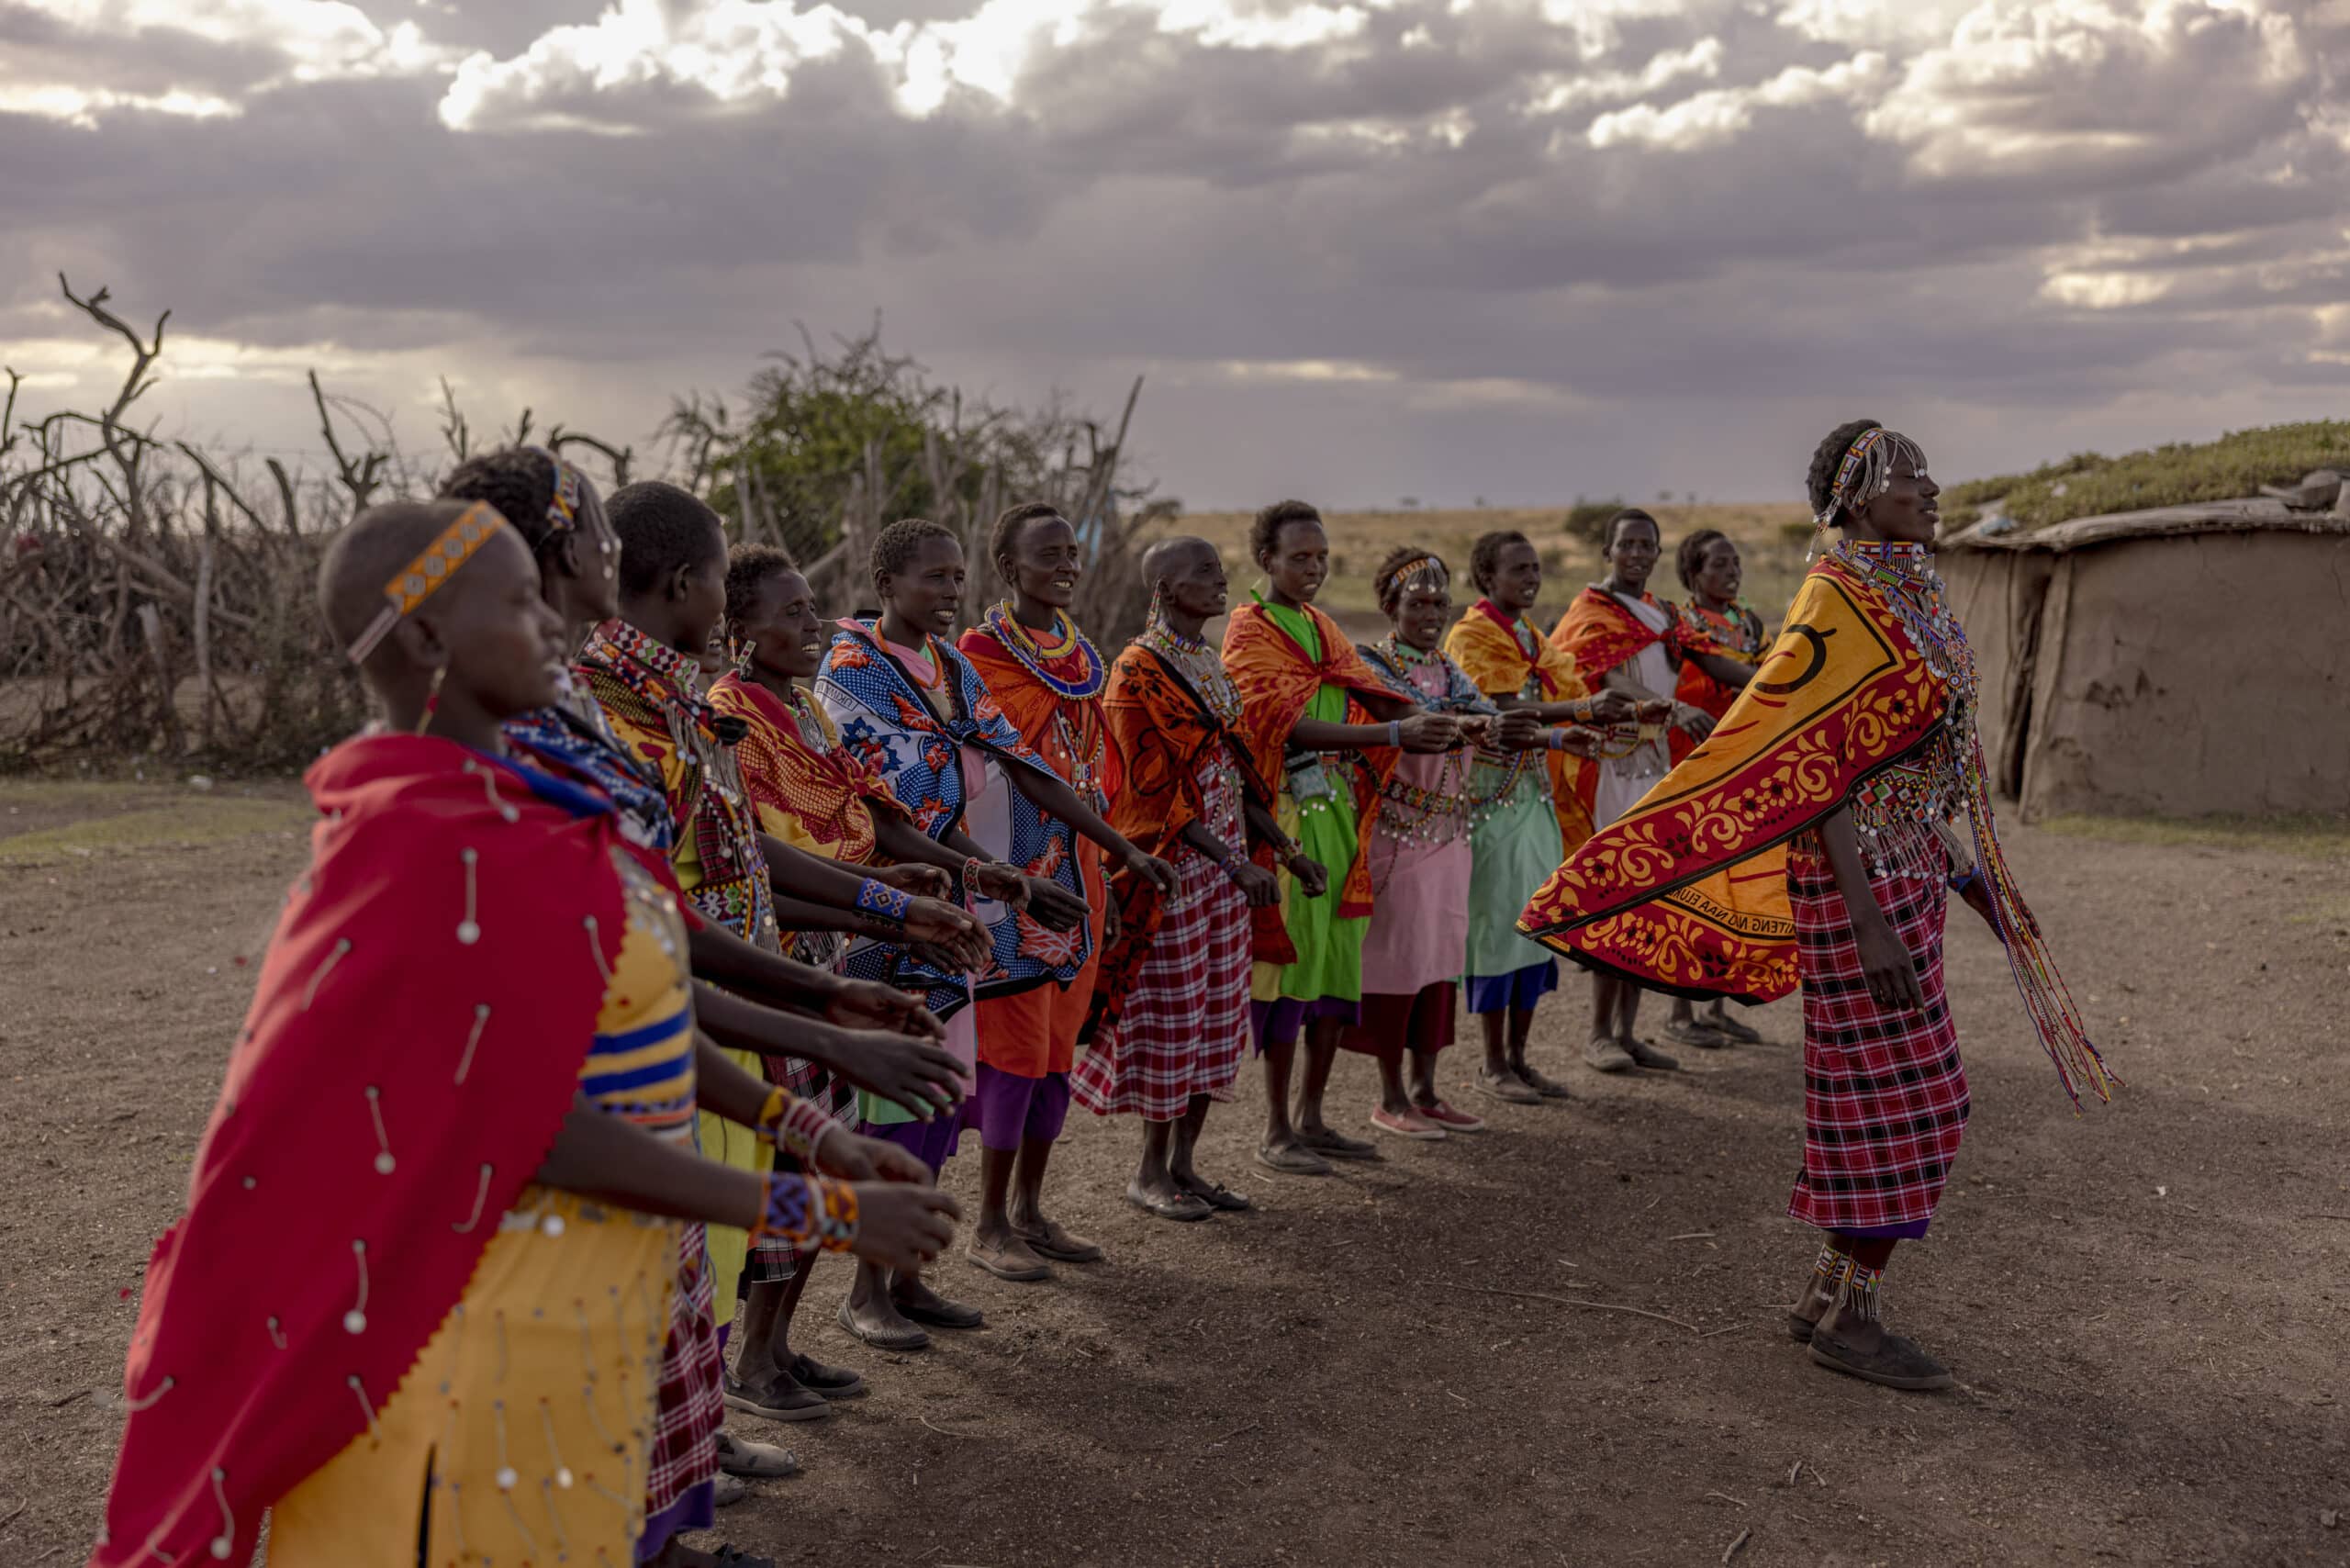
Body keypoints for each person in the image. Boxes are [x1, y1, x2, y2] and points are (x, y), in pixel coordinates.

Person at [87, 498, 959, 1568]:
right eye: (517, 602)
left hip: (566, 1318)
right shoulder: (419, 846)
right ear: (422, 639)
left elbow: (627, 1001)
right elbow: (522, 1117)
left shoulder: (520, 810)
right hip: (458, 1340)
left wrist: (803, 1119)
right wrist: (816, 1203)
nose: (554, 625)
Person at [1520, 420, 2116, 1392]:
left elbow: (1902, 772)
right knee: (1917, 1100)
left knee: (1880, 1094)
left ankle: (1829, 1293)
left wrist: (1976, 888)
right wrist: (1871, 917)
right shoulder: (1838, 598)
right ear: (1849, 501)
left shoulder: (1907, 596)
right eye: (1903, 476)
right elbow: (1817, 768)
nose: (1927, 488)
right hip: (1858, 887)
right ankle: (1854, 1318)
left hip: (1905, 868)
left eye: (1927, 471)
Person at [445, 454, 972, 1459]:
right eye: (595, 535)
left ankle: (690, 1446)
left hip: (699, 1005)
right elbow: (635, 938)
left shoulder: (650, 703)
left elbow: (710, 861)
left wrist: (872, 923)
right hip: (642, 1046)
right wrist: (829, 1005)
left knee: (693, 1268)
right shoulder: (570, 726)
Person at [576, 482, 988, 1543]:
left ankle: (687, 1460)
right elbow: (659, 916)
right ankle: (662, 1487)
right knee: (679, 1246)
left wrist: (892, 914)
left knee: (708, 1243)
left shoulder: (671, 705)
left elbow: (739, 858)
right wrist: (830, 991)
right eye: (722, 577)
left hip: (736, 988)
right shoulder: (606, 717)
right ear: (685, 585)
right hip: (676, 1020)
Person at [710, 543, 1057, 1388]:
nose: (811, 623)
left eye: (810, 607)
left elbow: (877, 810)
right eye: (790, 612)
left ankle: (778, 1346)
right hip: (769, 961)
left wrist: (972, 875)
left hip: (835, 946)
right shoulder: (731, 718)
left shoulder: (806, 714)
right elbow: (758, 865)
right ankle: (751, 1361)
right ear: (739, 630)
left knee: (818, 1155)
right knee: (782, 1165)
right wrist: (890, 904)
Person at [816, 521, 1161, 1340]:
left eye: (956, 577)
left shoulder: (949, 668)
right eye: (933, 577)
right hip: (887, 914)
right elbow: (888, 819)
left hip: (949, 910)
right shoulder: (855, 676)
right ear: (886, 581)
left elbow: (1027, 767)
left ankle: (907, 1277)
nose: (949, 591)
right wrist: (993, 874)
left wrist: (1116, 849)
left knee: (939, 1097)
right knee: (894, 1104)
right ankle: (865, 1291)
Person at [957, 503, 1179, 1279]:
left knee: (1056, 1047)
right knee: (1014, 1048)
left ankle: (1030, 1208)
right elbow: (1012, 767)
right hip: (1012, 878)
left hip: (1078, 868)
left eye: (1072, 553)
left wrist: (1106, 869)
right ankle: (988, 1224)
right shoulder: (979, 655)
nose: (1067, 565)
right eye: (1048, 554)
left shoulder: (1079, 653)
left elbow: (1094, 767)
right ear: (1009, 568)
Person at [1223, 499, 1457, 1174]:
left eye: (1322, 558)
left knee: (1332, 972)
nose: (1313, 569)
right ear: (1265, 560)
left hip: (1340, 821)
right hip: (1289, 822)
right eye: (1299, 557)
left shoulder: (1322, 628)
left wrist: (1443, 722)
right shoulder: (1251, 632)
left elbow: (1371, 692)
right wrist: (1391, 735)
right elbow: (1279, 726)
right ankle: (1276, 1129)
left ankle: (1315, 1119)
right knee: (1290, 972)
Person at [1078, 536, 1289, 1218]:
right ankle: (1148, 1173)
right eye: (1203, 571)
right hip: (1172, 873)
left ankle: (1187, 1166)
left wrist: (1282, 849)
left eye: (1220, 569)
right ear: (1164, 587)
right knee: (1174, 1019)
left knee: (1217, 1019)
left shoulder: (1206, 661)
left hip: (1226, 870)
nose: (1220, 579)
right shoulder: (1136, 672)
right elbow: (1149, 792)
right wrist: (1231, 860)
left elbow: (1236, 769)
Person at [1547, 509, 1751, 1074]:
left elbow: (1708, 661)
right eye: (1627, 544)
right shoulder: (1592, 612)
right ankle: (1597, 1035)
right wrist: (1667, 705)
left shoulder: (1662, 613)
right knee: (1614, 895)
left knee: (1647, 902)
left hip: (1655, 766)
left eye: (1647, 545)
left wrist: (1777, 680)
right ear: (1607, 551)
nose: (1637, 554)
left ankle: (1629, 1032)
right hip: (1611, 765)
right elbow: (1606, 676)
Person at [1340, 548, 1534, 1138]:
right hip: (1399, 837)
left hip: (1450, 835)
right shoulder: (1372, 665)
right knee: (1398, 964)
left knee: (1440, 963)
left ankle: (1427, 1089)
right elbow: (1421, 718)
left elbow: (1481, 718)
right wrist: (1482, 723)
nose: (1430, 615)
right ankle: (1390, 1096)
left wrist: (1512, 725)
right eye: (1417, 604)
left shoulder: (1449, 669)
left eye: (1438, 604)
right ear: (1389, 607)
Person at [1444, 531, 1632, 1103]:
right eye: (1518, 569)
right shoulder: (1472, 637)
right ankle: (1493, 1063)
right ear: (1486, 577)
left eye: (1536, 568)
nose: (1531, 577)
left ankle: (1521, 1061)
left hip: (1535, 797)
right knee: (1498, 929)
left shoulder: (1530, 636)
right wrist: (1577, 710)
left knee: (1533, 931)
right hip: (1492, 800)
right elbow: (1497, 710)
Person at [1665, 527, 1769, 1048]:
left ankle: (1717, 1005)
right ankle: (1682, 1014)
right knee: (1690, 887)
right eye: (1719, 565)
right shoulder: (1683, 625)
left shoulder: (1747, 622)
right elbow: (1737, 675)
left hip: (1739, 768)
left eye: (1735, 563)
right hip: (1693, 767)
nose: (1732, 572)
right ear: (1693, 574)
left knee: (1733, 888)